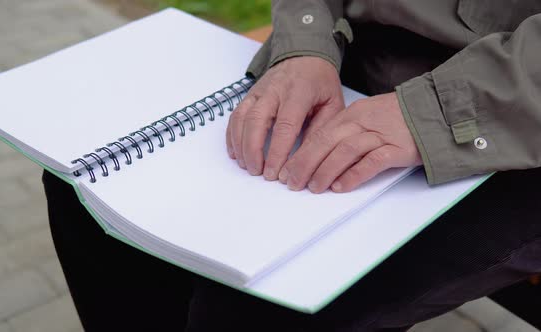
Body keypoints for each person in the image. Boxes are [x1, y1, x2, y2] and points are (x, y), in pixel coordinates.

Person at [42, 1, 541, 331]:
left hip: (517, 118)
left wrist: (438, 114)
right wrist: (304, 43)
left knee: (256, 306)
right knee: (83, 200)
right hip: (358, 49)